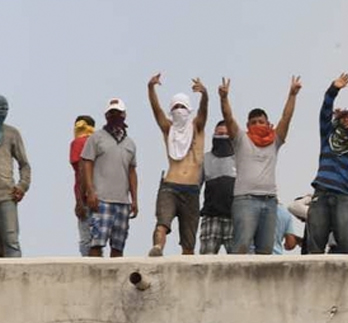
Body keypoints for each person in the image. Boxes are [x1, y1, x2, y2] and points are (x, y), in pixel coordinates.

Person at [219, 75, 302, 255]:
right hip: (245, 199)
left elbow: (286, 118)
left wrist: (292, 94)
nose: (258, 125)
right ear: (248, 125)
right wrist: (224, 98)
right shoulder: (241, 139)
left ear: (268, 123)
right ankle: (239, 282)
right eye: (253, 122)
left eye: (261, 122)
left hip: (269, 200)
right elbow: (228, 117)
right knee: (241, 246)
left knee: (265, 250)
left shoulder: (275, 141)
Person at [306, 74, 348, 254]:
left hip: (345, 196)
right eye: (342, 120)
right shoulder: (328, 136)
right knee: (316, 240)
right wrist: (333, 89)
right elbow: (325, 111)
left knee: (345, 239)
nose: (345, 123)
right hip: (322, 191)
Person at [146, 74, 208, 256]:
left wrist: (205, 95)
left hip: (191, 189)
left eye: (182, 106)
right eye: (175, 107)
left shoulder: (196, 127)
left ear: (188, 109)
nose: (179, 110)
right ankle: (157, 249)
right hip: (170, 186)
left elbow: (204, 112)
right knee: (162, 223)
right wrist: (150, 89)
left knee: (189, 242)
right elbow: (156, 111)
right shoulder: (169, 129)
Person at [81, 98, 138, 258]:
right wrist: (90, 192)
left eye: (118, 113)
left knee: (118, 246)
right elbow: (86, 164)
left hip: (122, 202)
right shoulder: (96, 138)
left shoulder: (130, 143)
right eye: (111, 113)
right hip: (102, 200)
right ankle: (94, 279)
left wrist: (134, 199)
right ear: (106, 116)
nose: (115, 116)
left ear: (124, 115)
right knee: (97, 244)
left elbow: (132, 172)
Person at [199, 120, 237, 255]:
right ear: (214, 135)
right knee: (205, 261)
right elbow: (197, 187)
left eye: (226, 134)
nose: (222, 137)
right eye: (219, 133)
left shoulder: (239, 158)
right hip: (211, 216)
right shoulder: (205, 159)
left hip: (234, 216)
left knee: (237, 264)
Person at [0, 95, 31, 258]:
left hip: (6, 195)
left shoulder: (11, 133)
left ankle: (16, 280)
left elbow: (24, 165)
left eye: (5, 109)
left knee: (11, 240)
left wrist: (22, 186)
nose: (2, 112)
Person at [70, 115, 96, 256]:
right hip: (101, 195)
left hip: (85, 197)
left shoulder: (77, 143)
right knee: (99, 237)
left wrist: (79, 200)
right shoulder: (98, 142)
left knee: (86, 238)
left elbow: (81, 170)